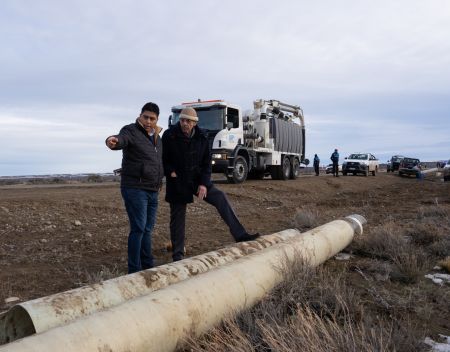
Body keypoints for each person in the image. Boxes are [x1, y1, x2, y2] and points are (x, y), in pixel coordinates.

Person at [162, 107, 260, 262]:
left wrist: (203, 184)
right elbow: (163, 159)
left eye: (188, 120)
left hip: (196, 179)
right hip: (178, 180)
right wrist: (171, 172)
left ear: (194, 122)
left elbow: (207, 164)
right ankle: (178, 255)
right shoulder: (169, 135)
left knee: (220, 197)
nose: (184, 123)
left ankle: (240, 235)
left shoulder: (202, 137)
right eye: (182, 120)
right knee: (178, 217)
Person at [105, 102, 163, 274]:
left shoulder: (157, 138)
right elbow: (120, 140)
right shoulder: (130, 130)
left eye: (152, 118)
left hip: (153, 189)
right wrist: (112, 141)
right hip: (135, 188)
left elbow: (158, 162)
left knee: (147, 229)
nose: (148, 121)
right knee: (138, 228)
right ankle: (134, 270)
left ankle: (147, 265)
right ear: (140, 115)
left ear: (156, 119)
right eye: (145, 117)